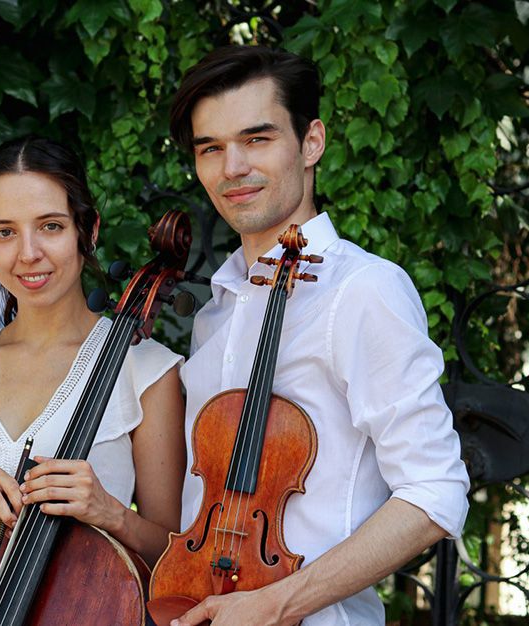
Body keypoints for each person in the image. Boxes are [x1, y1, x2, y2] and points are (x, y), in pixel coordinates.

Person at [167, 46, 470, 626]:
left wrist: (277, 604)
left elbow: (435, 491)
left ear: (311, 143)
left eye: (257, 139)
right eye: (211, 148)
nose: (232, 167)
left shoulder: (363, 290)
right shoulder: (217, 311)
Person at [0, 136, 186, 582]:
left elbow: (177, 557)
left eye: (50, 226)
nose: (28, 253)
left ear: (88, 230)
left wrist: (110, 513)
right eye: (5, 232)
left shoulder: (145, 371)